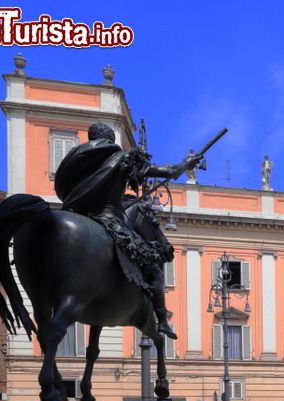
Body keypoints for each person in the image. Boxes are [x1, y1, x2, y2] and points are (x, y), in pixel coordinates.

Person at [54, 123, 198, 340]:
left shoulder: (77, 160)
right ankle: (162, 321)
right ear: (111, 140)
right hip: (110, 220)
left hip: (80, 214)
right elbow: (170, 172)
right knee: (155, 269)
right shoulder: (120, 159)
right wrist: (186, 164)